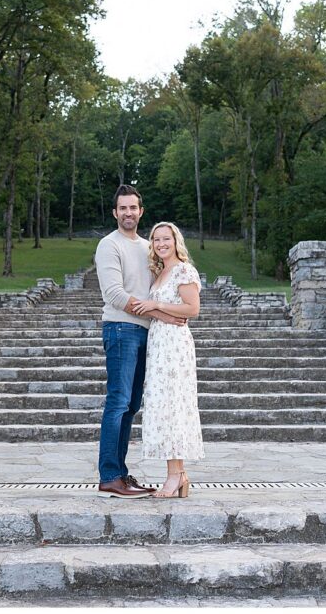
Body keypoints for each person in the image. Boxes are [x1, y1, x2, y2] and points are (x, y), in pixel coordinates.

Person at [94, 186, 187, 499]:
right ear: (115, 212)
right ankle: (109, 475)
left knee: (131, 405)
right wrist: (156, 311)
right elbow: (114, 295)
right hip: (121, 329)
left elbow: (163, 291)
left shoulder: (149, 248)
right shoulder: (109, 245)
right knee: (118, 401)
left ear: (141, 211)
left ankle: (120, 474)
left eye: (133, 208)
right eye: (123, 208)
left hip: (148, 333)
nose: (128, 213)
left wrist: (163, 313)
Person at [131, 221, 204, 498]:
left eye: (166, 239)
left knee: (174, 405)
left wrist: (156, 305)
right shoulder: (159, 274)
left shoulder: (183, 270)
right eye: (156, 239)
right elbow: (163, 312)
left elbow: (192, 309)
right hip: (158, 344)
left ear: (176, 242)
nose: (161, 243)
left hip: (175, 346)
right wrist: (158, 311)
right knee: (163, 406)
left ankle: (175, 476)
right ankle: (178, 475)